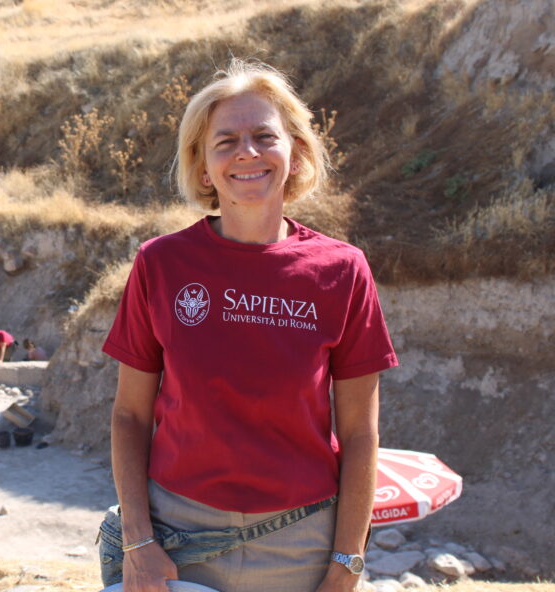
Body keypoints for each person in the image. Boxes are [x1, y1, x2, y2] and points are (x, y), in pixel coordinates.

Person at [100, 59, 398, 592]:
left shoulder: (342, 270)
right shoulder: (160, 263)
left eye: (265, 136)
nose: (247, 152)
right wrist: (138, 541)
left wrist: (347, 561)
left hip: (299, 544)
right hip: (176, 537)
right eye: (226, 141)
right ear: (203, 166)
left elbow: (360, 433)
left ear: (295, 152)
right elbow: (129, 415)